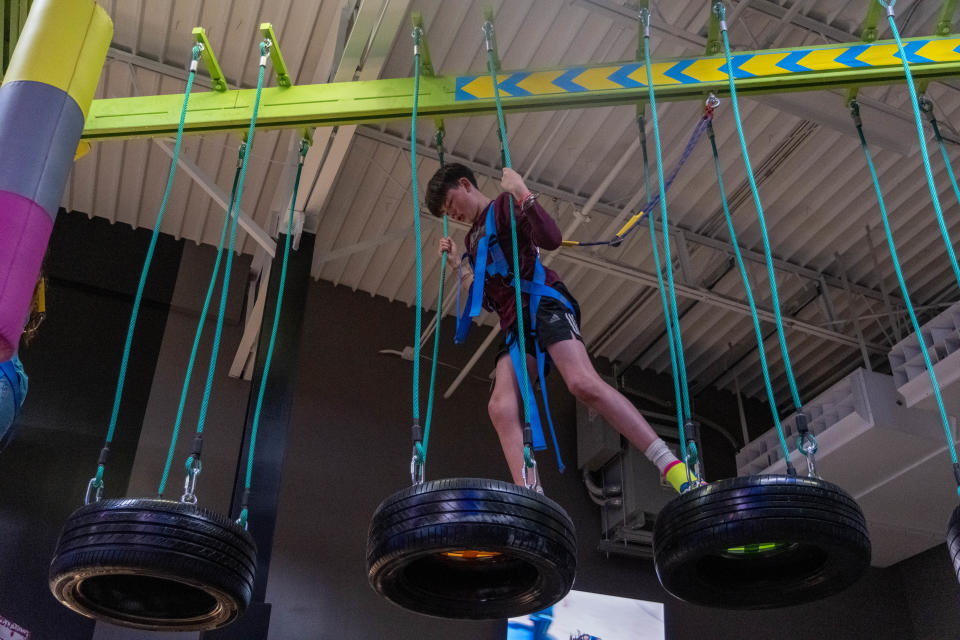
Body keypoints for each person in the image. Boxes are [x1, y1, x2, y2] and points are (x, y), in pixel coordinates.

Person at [427, 163, 695, 492]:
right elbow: (489, 301)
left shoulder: (505, 205)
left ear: (465, 184)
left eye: (450, 204)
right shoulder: (471, 240)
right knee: (499, 405)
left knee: (583, 384)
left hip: (542, 302)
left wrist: (522, 190)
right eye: (445, 213)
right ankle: (531, 493)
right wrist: (459, 266)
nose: (452, 214)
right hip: (515, 321)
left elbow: (551, 239)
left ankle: (672, 466)